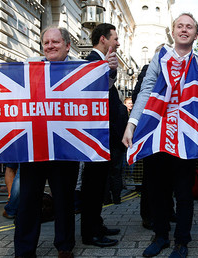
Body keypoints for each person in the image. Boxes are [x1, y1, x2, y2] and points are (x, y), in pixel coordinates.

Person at [0, 25, 99, 258]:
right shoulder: (29, 64)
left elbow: (100, 88)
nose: (50, 46)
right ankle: (24, 250)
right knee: (28, 202)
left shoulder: (81, 68)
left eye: (55, 42)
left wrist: (109, 71)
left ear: (68, 45)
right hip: (33, 147)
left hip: (64, 147)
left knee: (63, 200)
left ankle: (64, 246)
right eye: (46, 43)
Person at [122, 13, 198, 258]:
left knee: (184, 193)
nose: (184, 30)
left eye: (189, 27)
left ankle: (182, 241)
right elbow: (146, 91)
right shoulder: (160, 58)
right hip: (157, 134)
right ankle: (160, 236)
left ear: (196, 34)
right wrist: (131, 124)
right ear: (173, 31)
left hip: (186, 138)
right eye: (180, 26)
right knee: (156, 190)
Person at [80, 23, 127, 247]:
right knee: (93, 186)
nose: (118, 43)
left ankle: (96, 224)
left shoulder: (100, 61)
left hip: (104, 137)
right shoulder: (92, 62)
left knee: (99, 185)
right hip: (96, 137)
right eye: (115, 38)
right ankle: (91, 233)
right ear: (103, 40)